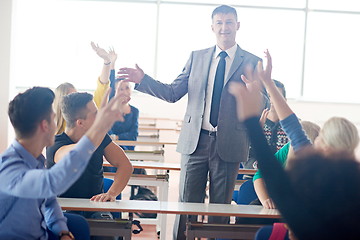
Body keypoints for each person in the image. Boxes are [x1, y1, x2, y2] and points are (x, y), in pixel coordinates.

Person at [118, 5, 268, 239]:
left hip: (229, 144)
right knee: (186, 207)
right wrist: (143, 80)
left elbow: (263, 105)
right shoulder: (197, 57)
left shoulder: (252, 61)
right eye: (219, 22)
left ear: (237, 25)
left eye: (229, 22)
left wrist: (254, 93)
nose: (224, 27)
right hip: (195, 143)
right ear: (212, 27)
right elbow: (172, 92)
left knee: (220, 209)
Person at [229, 49, 360, 239]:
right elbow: (293, 127)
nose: (316, 140)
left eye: (320, 136)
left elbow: (288, 136)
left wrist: (251, 117)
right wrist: (269, 84)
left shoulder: (313, 176)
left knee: (265, 234)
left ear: (326, 147)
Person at [0, 86, 128, 240]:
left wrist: (63, 232)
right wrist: (100, 127)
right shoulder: (11, 168)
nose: (57, 124)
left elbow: (49, 202)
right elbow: (53, 182)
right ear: (45, 126)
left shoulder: (34, 161)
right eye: (54, 118)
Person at [46, 92, 132, 210]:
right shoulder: (54, 144)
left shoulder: (100, 137)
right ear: (80, 123)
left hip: (95, 210)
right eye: (96, 114)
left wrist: (111, 193)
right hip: (63, 213)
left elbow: (125, 165)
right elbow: (76, 156)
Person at [253, 121, 320, 209]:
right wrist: (266, 200)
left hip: (303, 206)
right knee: (243, 219)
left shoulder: (322, 158)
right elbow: (259, 175)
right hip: (278, 201)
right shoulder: (287, 148)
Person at [91, 42, 139, 150]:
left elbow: (133, 136)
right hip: (109, 149)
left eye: (127, 88)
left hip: (128, 151)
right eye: (120, 89)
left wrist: (116, 137)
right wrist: (111, 63)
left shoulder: (134, 111)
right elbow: (110, 83)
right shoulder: (109, 107)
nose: (124, 92)